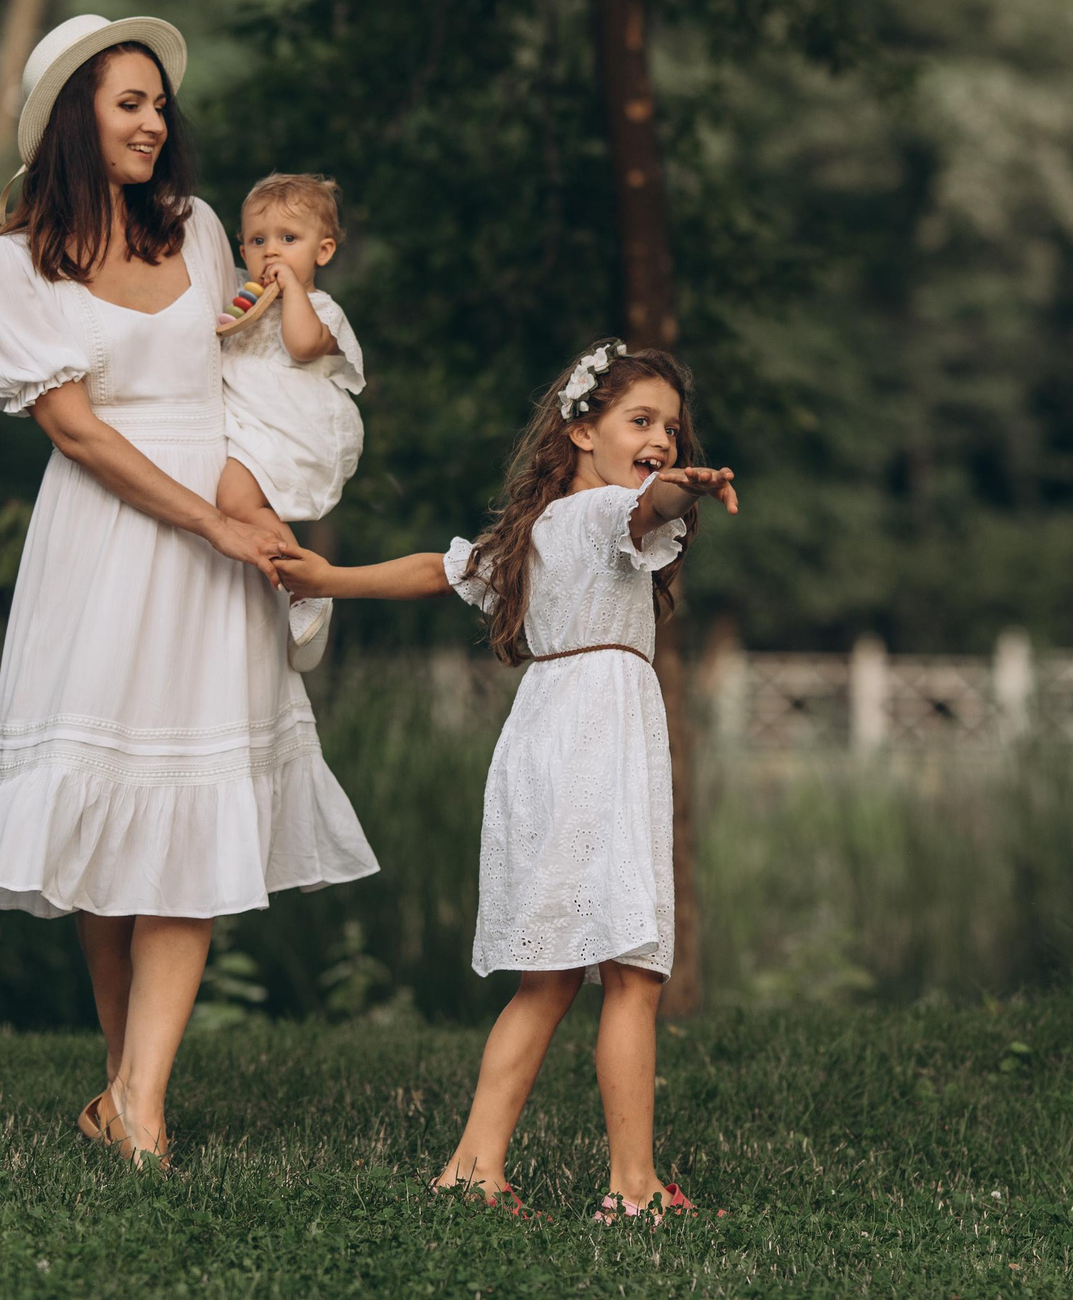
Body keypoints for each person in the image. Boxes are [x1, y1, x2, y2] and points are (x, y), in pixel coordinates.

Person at [0, 13, 379, 1172]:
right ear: (74, 116)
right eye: (128, 101)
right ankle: (121, 1081)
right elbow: (75, 433)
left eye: (158, 103)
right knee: (107, 809)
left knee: (192, 805)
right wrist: (209, 521)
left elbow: (257, 371)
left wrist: (268, 498)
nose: (153, 121)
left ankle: (142, 1102)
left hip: (223, 529)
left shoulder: (196, 231)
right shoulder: (12, 264)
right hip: (109, 538)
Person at [276, 340, 738, 1219]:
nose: (660, 442)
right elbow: (651, 503)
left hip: (550, 736)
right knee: (632, 972)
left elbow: (436, 569)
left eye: (670, 430)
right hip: (595, 738)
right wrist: (690, 483)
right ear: (580, 430)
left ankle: (473, 1166)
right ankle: (632, 1189)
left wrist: (331, 576)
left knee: (553, 977)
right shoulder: (606, 512)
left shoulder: (539, 529)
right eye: (640, 421)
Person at [214, 172, 366, 672]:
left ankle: (309, 584)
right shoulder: (245, 299)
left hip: (296, 428)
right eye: (258, 241)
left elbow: (302, 345)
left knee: (234, 500)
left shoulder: (321, 309)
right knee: (232, 501)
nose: (271, 252)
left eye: (288, 240)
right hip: (251, 422)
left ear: (322, 252)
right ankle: (298, 582)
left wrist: (291, 290)